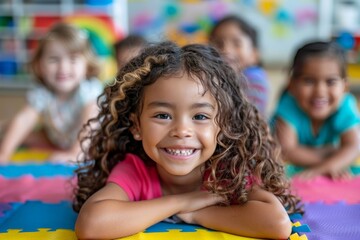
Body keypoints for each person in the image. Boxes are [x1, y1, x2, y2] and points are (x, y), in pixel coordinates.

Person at [73, 41, 301, 240]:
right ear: (136, 126)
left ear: (223, 126)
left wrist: (196, 214)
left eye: (200, 117)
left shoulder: (229, 171)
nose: (182, 131)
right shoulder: (136, 170)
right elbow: (91, 225)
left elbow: (278, 225)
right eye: (163, 115)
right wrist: (184, 202)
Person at [0, 22, 103, 163]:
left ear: (87, 65)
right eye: (54, 60)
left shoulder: (88, 89)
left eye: (73, 59)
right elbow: (24, 119)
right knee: (14, 128)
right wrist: (4, 154)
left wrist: (75, 153)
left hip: (93, 141)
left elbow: (91, 123)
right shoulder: (43, 93)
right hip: (59, 139)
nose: (63, 67)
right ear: (40, 65)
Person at [272, 41, 360, 179]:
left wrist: (326, 167)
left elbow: (354, 147)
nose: (320, 92)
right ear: (291, 85)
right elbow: (286, 151)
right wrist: (332, 159)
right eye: (309, 81)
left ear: (345, 87)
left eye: (330, 82)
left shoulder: (345, 105)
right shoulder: (288, 105)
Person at [209, 15, 270, 117]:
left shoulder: (254, 78)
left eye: (237, 43)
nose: (226, 50)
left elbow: (249, 118)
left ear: (254, 54)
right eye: (219, 43)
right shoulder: (210, 77)